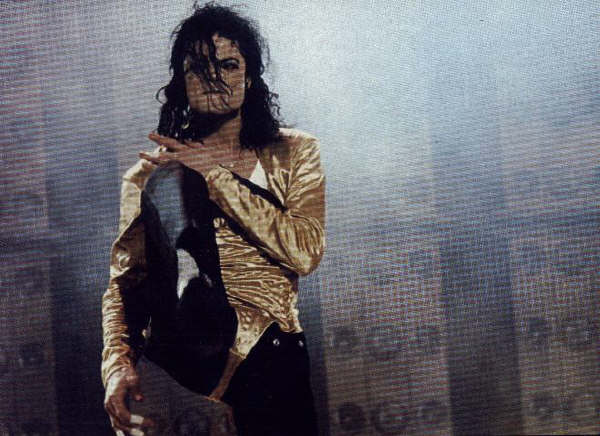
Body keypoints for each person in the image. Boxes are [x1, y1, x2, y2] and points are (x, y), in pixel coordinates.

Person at [101, 3, 325, 435]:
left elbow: (305, 251)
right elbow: (124, 286)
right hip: (181, 369)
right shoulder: (148, 176)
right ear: (181, 82)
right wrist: (116, 366)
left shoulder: (294, 152)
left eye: (228, 64)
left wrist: (215, 175)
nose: (214, 78)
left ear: (250, 76)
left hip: (270, 357)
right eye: (198, 68)